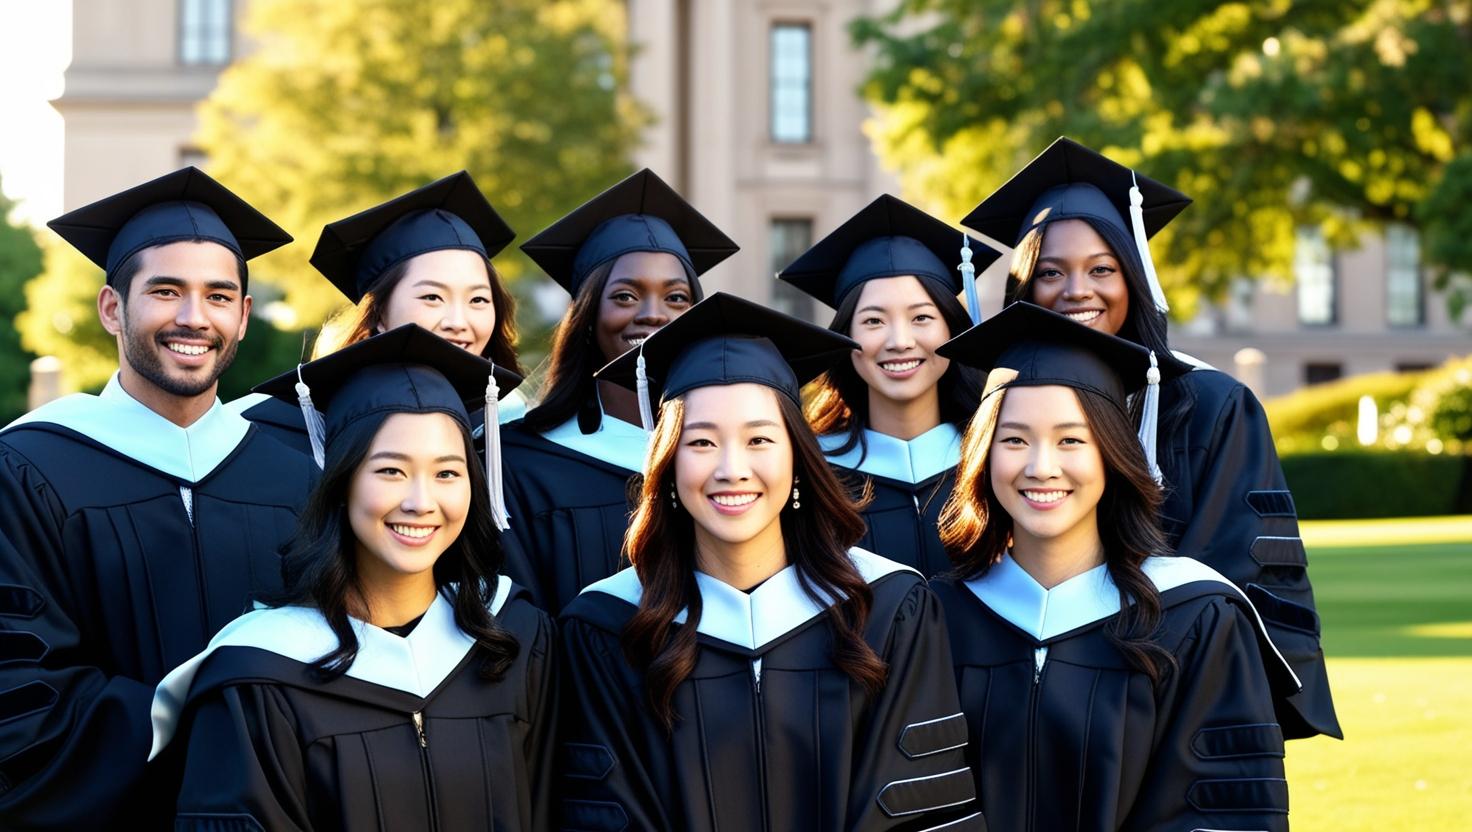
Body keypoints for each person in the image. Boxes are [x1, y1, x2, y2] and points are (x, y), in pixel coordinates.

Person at [558, 293, 982, 831]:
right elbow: (607, 813)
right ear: (667, 464)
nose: (732, 468)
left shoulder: (888, 609)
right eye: (702, 442)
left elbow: (917, 808)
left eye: (759, 439)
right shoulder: (608, 626)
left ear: (798, 458)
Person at [961, 137, 1339, 740]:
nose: (1076, 290)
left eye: (1102, 269)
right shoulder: (998, 405)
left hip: (1172, 697)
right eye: (1050, 272)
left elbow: (1237, 569)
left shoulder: (1210, 404)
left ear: (1135, 279)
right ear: (1023, 288)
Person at [0, 167, 313, 827]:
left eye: (219, 296)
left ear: (244, 315)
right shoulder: (29, 469)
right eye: (166, 291)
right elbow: (17, 688)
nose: (194, 318)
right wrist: (202, 724)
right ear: (113, 307)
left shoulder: (296, 481)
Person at [150, 325, 556, 830]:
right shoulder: (259, 675)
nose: (421, 502)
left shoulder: (514, 641)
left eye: (448, 473)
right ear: (340, 482)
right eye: (390, 471)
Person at [930, 301, 1300, 831]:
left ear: (1113, 454)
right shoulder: (938, 619)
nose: (1041, 466)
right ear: (983, 457)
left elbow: (1226, 810)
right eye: (1013, 439)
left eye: (1071, 440)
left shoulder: (1194, 619)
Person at [503, 168, 739, 610]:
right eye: (626, 296)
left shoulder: (735, 460)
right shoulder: (526, 465)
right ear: (588, 316)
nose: (653, 314)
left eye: (676, 298)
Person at [778, 194, 999, 575]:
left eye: (921, 318)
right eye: (874, 321)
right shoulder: (811, 474)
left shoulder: (998, 459)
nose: (899, 341)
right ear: (846, 338)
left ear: (952, 327)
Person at [231, 171, 527, 453]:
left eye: (478, 300)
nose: (458, 322)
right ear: (379, 314)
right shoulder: (274, 429)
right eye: (432, 297)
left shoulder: (509, 428)